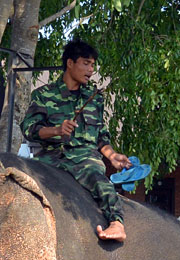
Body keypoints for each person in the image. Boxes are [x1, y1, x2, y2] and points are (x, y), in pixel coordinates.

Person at [22, 39, 132, 241]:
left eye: (92, 65)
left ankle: (117, 223)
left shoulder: (94, 98)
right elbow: (29, 129)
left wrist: (113, 156)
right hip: (49, 157)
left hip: (84, 157)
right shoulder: (44, 95)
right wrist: (56, 130)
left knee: (99, 181)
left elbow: (100, 136)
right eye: (85, 63)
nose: (90, 70)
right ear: (70, 63)